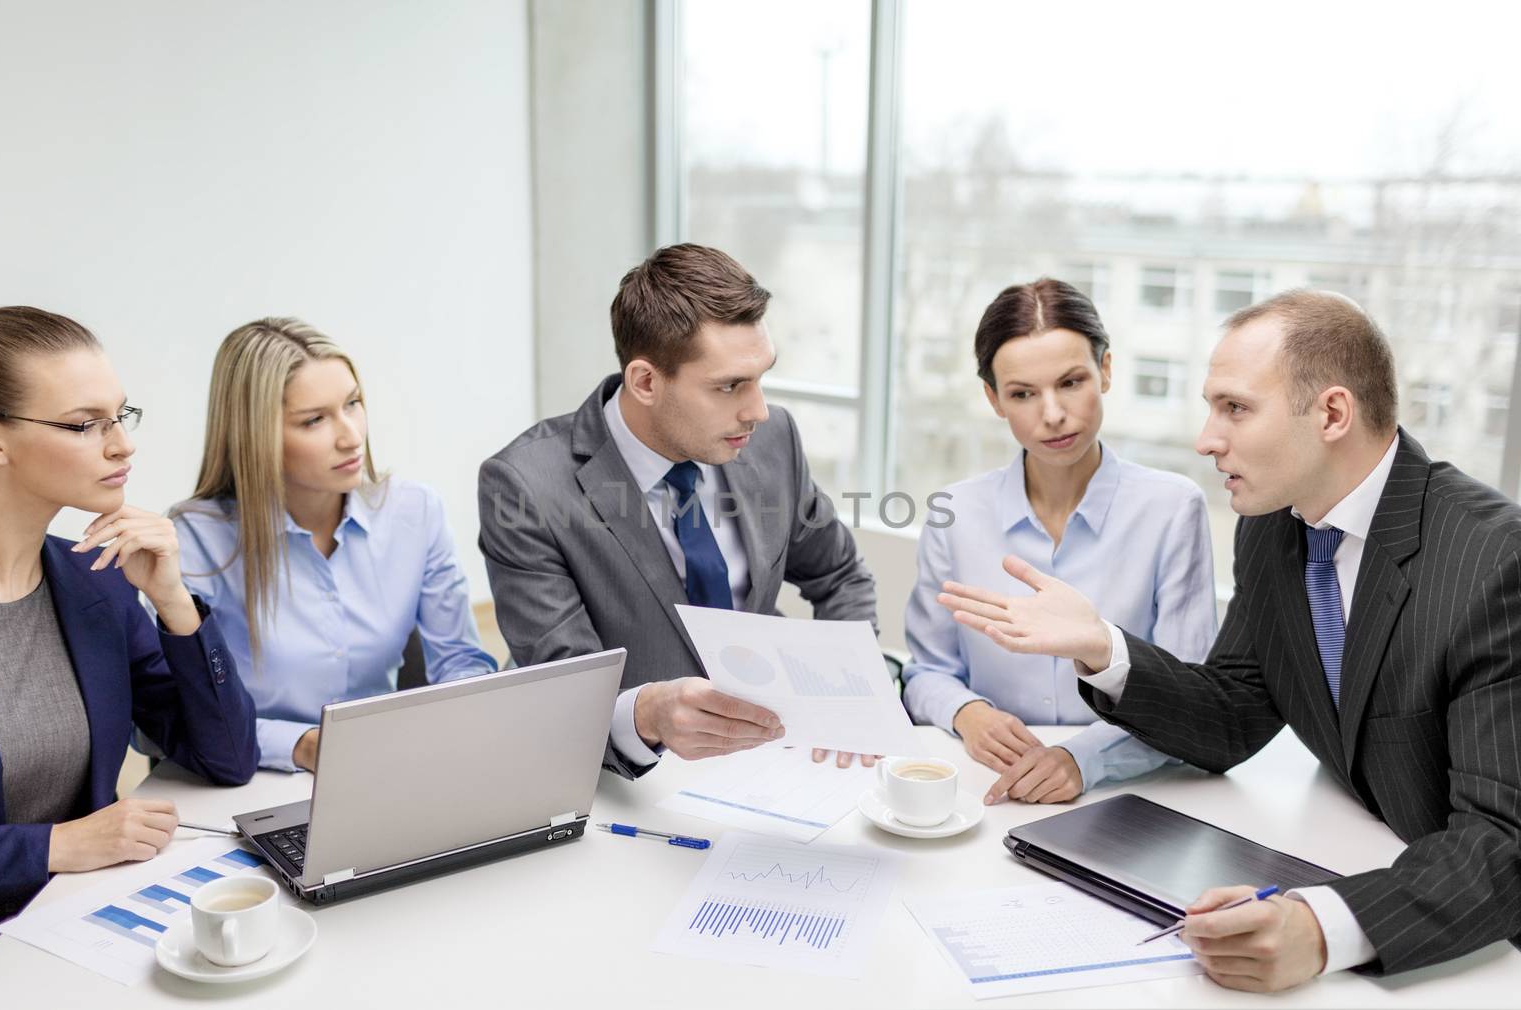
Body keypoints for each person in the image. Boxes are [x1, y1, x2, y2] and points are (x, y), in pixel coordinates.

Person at [940, 289, 1521, 990]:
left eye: (1235, 409)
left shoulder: (1493, 563)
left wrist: (1320, 927)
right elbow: (1236, 714)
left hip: (1478, 947)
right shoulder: (1274, 527)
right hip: (1358, 851)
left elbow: (1503, 845)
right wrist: (1102, 648)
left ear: (1332, 413)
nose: (1206, 439)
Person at [0, 285, 258, 1006]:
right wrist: (55, 847)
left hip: (87, 935)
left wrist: (173, 602)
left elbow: (223, 758)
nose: (122, 444)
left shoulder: (94, 581)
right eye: (85, 424)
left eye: (121, 416)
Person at [479, 243, 878, 778]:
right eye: (729, 386)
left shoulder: (771, 437)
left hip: (773, 765)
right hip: (622, 778)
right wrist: (647, 715)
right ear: (645, 382)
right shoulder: (525, 486)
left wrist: (844, 700)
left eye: (761, 376)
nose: (758, 409)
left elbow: (841, 576)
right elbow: (564, 687)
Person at [902, 279, 1216, 804]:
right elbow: (926, 671)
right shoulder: (954, 514)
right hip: (987, 780)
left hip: (1134, 786)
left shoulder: (1172, 508)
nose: (1051, 414)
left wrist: (1084, 758)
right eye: (1023, 393)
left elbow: (1188, 695)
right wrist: (967, 713)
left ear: (1106, 371)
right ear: (993, 399)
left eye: (1071, 383)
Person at [170, 318, 496, 773]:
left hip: (383, 771)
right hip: (246, 780)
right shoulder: (196, 539)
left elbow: (461, 663)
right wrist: (302, 745)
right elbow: (171, 721)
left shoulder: (414, 512)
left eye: (353, 403)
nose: (350, 435)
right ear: (255, 436)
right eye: (315, 420)